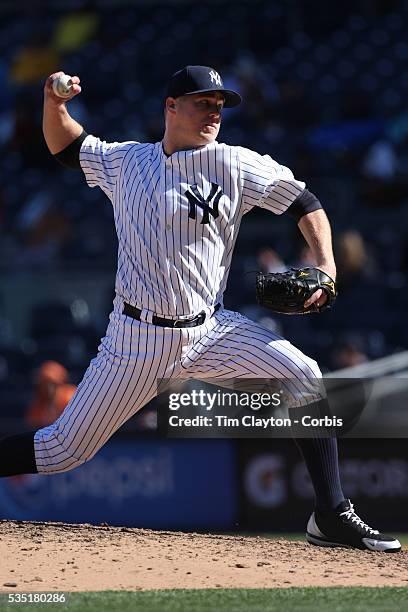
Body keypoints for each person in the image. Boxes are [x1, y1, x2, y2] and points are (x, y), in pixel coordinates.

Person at [0, 66, 400, 552]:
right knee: (63, 450)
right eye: (203, 102)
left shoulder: (234, 164)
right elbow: (67, 147)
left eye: (219, 105)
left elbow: (305, 201)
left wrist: (326, 264)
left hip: (211, 330)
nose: (214, 112)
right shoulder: (127, 162)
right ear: (171, 107)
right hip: (135, 340)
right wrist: (54, 103)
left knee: (306, 375)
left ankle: (331, 514)